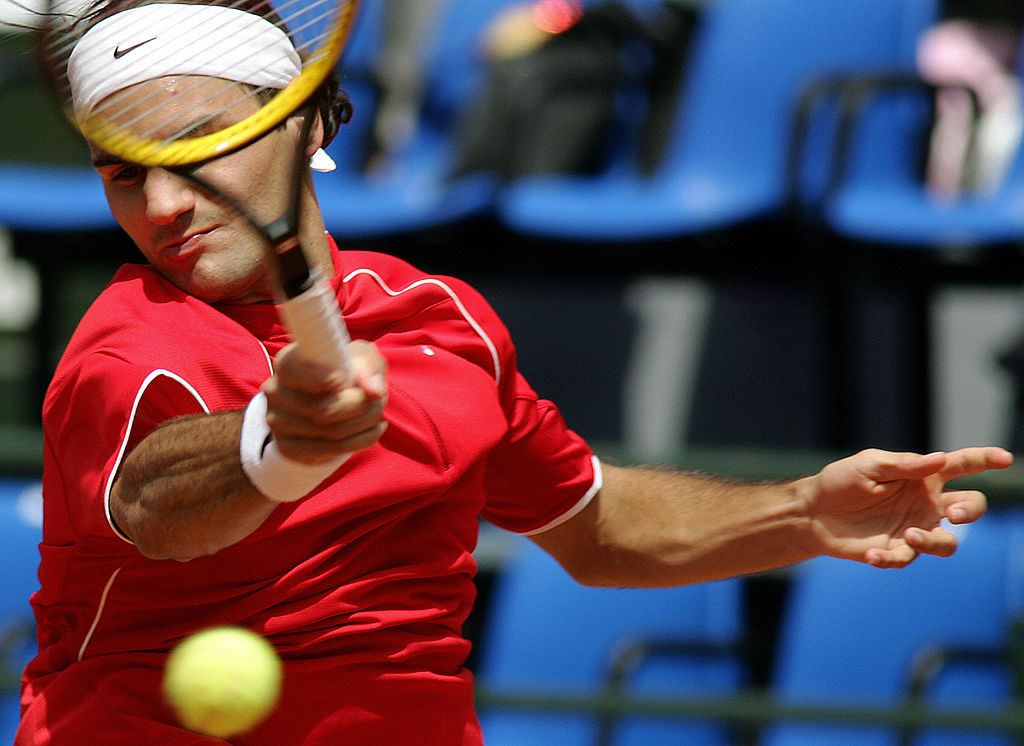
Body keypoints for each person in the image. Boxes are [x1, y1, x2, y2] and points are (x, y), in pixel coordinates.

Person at [17, 1, 1015, 744]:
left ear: (310, 120)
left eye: (196, 150)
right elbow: (154, 495)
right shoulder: (129, 347)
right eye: (122, 169)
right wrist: (270, 446)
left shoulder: (440, 319)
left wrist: (801, 511)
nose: (160, 205)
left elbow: (591, 523)